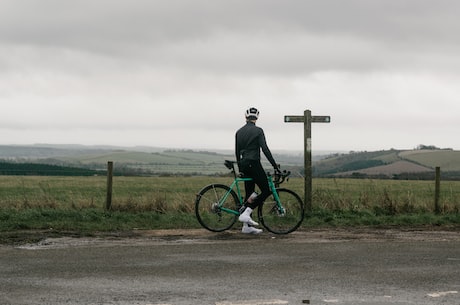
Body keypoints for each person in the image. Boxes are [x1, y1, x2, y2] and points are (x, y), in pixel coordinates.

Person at [235, 107, 280, 234]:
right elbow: (265, 149)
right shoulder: (258, 130)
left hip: (244, 164)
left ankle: (246, 227)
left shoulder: (239, 132)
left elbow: (237, 152)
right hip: (254, 163)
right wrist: (275, 166)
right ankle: (247, 212)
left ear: (246, 117)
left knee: (250, 194)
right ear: (257, 117)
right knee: (266, 190)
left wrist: (240, 168)